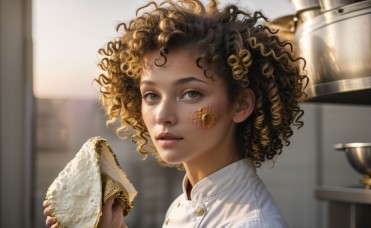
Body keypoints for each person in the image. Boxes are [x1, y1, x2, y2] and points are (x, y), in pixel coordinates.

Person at [44, 0, 307, 227]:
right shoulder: (182, 203)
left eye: (191, 93)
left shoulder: (252, 223)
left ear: (240, 105)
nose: (162, 115)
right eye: (151, 95)